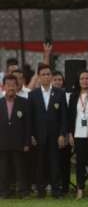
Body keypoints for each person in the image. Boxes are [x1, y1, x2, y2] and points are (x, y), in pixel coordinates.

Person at [28, 64, 68, 198]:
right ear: (39, 77)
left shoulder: (59, 93)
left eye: (48, 74)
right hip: (39, 136)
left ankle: (56, 190)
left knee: (55, 163)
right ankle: (41, 191)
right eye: (43, 74)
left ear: (51, 76)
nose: (46, 76)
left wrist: (62, 134)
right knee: (39, 164)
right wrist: (31, 135)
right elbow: (30, 117)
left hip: (55, 136)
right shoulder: (33, 94)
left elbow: (64, 116)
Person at [68, 70, 88, 199]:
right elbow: (70, 116)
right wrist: (70, 134)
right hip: (78, 134)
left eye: (87, 78)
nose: (85, 81)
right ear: (78, 81)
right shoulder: (74, 96)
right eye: (82, 79)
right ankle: (80, 188)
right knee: (79, 163)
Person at [0, 75, 30, 198]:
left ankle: (23, 192)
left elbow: (28, 125)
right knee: (3, 169)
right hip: (2, 142)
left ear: (17, 86)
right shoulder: (0, 103)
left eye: (13, 85)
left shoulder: (24, 103)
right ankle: (3, 192)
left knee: (20, 168)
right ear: (3, 86)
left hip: (19, 142)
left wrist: (27, 142)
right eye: (8, 84)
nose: (11, 87)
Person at [52, 70, 72, 195]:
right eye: (55, 79)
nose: (58, 82)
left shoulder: (69, 94)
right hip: (52, 134)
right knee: (55, 162)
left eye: (60, 79)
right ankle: (55, 185)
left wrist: (66, 134)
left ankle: (65, 186)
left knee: (65, 161)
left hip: (65, 133)